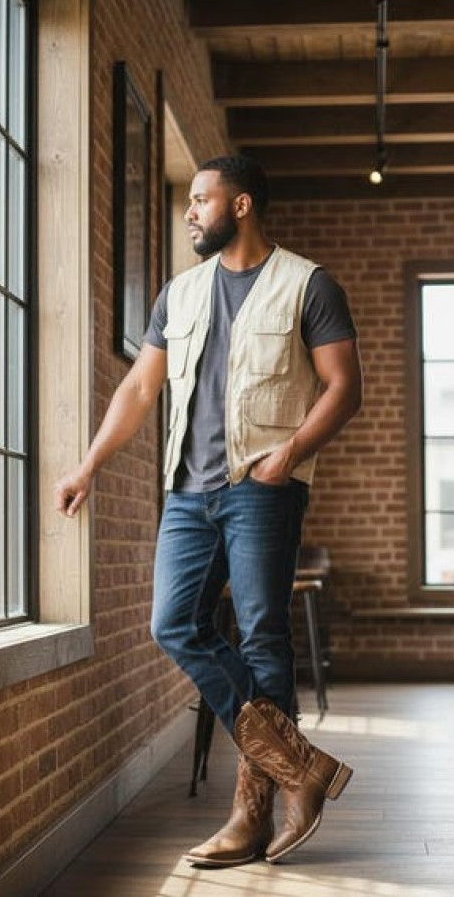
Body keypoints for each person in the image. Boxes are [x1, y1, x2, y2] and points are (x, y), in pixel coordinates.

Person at [54, 154, 363, 866]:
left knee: (262, 639)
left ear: (242, 205)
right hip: (188, 495)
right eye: (189, 200)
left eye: (201, 199)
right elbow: (140, 388)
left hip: (263, 488)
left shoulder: (308, 284)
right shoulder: (181, 293)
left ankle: (250, 817)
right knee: (173, 623)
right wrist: (89, 464)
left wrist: (290, 453)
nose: (190, 211)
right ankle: (300, 770)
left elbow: (345, 387)